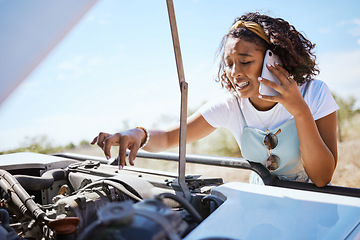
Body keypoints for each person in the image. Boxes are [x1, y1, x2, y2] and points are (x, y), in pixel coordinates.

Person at [91, 12, 338, 187]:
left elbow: (322, 178)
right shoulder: (231, 105)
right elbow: (169, 138)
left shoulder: (314, 94)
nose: (234, 72)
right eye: (229, 64)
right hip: (262, 202)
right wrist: (138, 134)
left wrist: (300, 111)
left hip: (311, 201)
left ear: (275, 59)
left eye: (245, 61)